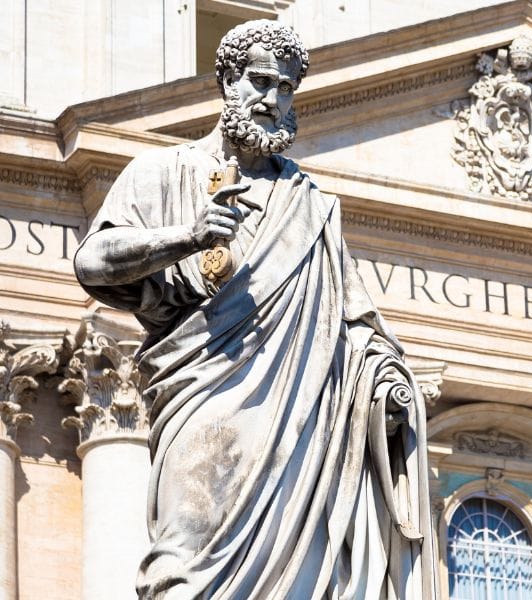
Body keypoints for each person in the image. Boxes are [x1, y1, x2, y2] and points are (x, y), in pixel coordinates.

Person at [74, 20, 434, 599]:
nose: (272, 100)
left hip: (300, 424)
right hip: (205, 401)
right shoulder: (163, 172)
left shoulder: (313, 206)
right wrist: (186, 238)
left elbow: (356, 324)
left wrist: (384, 385)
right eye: (260, 81)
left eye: (286, 88)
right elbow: (93, 262)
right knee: (183, 570)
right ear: (226, 82)